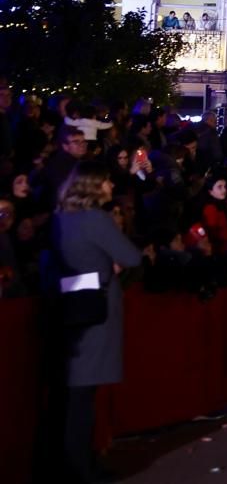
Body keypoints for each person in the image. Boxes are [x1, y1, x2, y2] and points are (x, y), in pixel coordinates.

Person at [51, 161, 148, 483]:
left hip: (68, 303)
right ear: (93, 186)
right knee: (83, 396)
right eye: (106, 182)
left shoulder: (61, 217)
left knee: (74, 394)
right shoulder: (96, 219)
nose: (110, 188)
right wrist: (111, 265)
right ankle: (82, 468)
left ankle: (76, 463)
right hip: (97, 306)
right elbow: (132, 257)